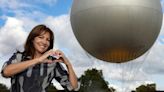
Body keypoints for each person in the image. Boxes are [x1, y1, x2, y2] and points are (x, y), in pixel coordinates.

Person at [1, 24, 79, 92]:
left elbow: (73, 87)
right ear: (32, 39)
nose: (44, 42)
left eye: (48, 40)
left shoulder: (52, 63)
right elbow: (5, 72)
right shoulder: (19, 57)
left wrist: (68, 64)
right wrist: (38, 60)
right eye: (41, 37)